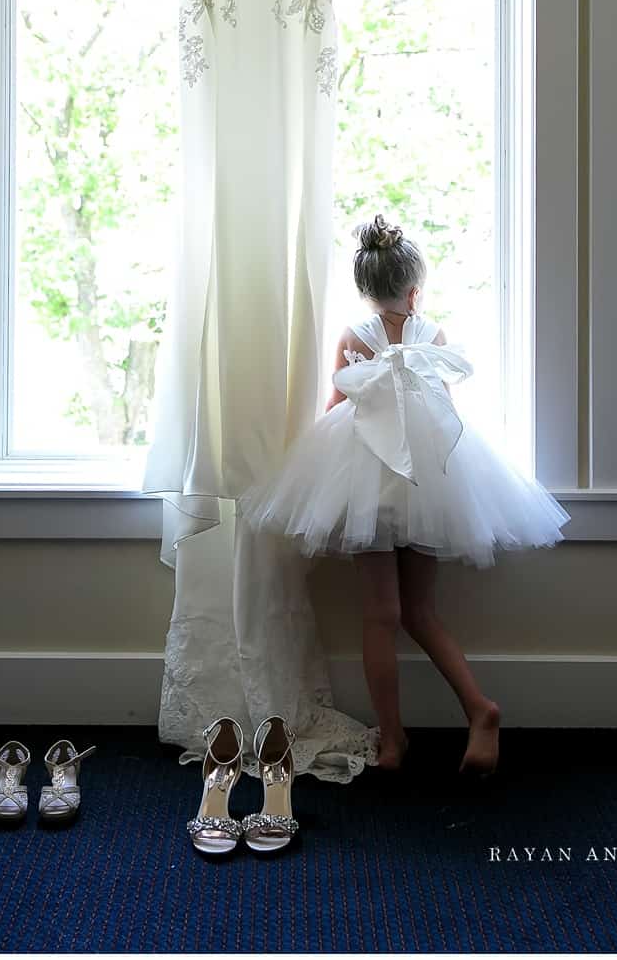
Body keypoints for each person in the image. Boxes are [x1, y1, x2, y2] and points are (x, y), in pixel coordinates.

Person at [237, 214, 572, 774]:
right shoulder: (431, 335)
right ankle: (478, 708)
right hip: (427, 485)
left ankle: (394, 739)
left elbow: (335, 409)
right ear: (414, 290)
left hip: (368, 486)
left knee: (380, 615)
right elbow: (444, 415)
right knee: (417, 610)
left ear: (365, 290)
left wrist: (316, 465)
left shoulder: (354, 336)